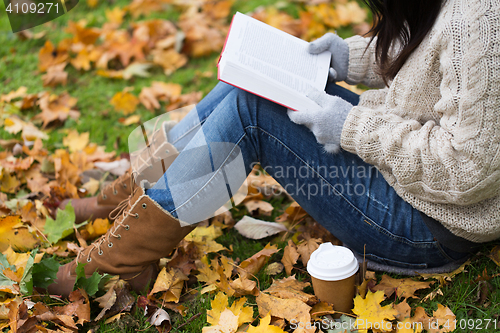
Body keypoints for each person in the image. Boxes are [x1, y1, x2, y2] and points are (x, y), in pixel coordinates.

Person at [48, 0, 500, 297]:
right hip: (406, 181)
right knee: (246, 85)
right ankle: (137, 194)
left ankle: (123, 262)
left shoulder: (483, 21)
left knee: (254, 108)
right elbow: (428, 49)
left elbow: (467, 169)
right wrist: (348, 58)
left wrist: (352, 125)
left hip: (428, 224)